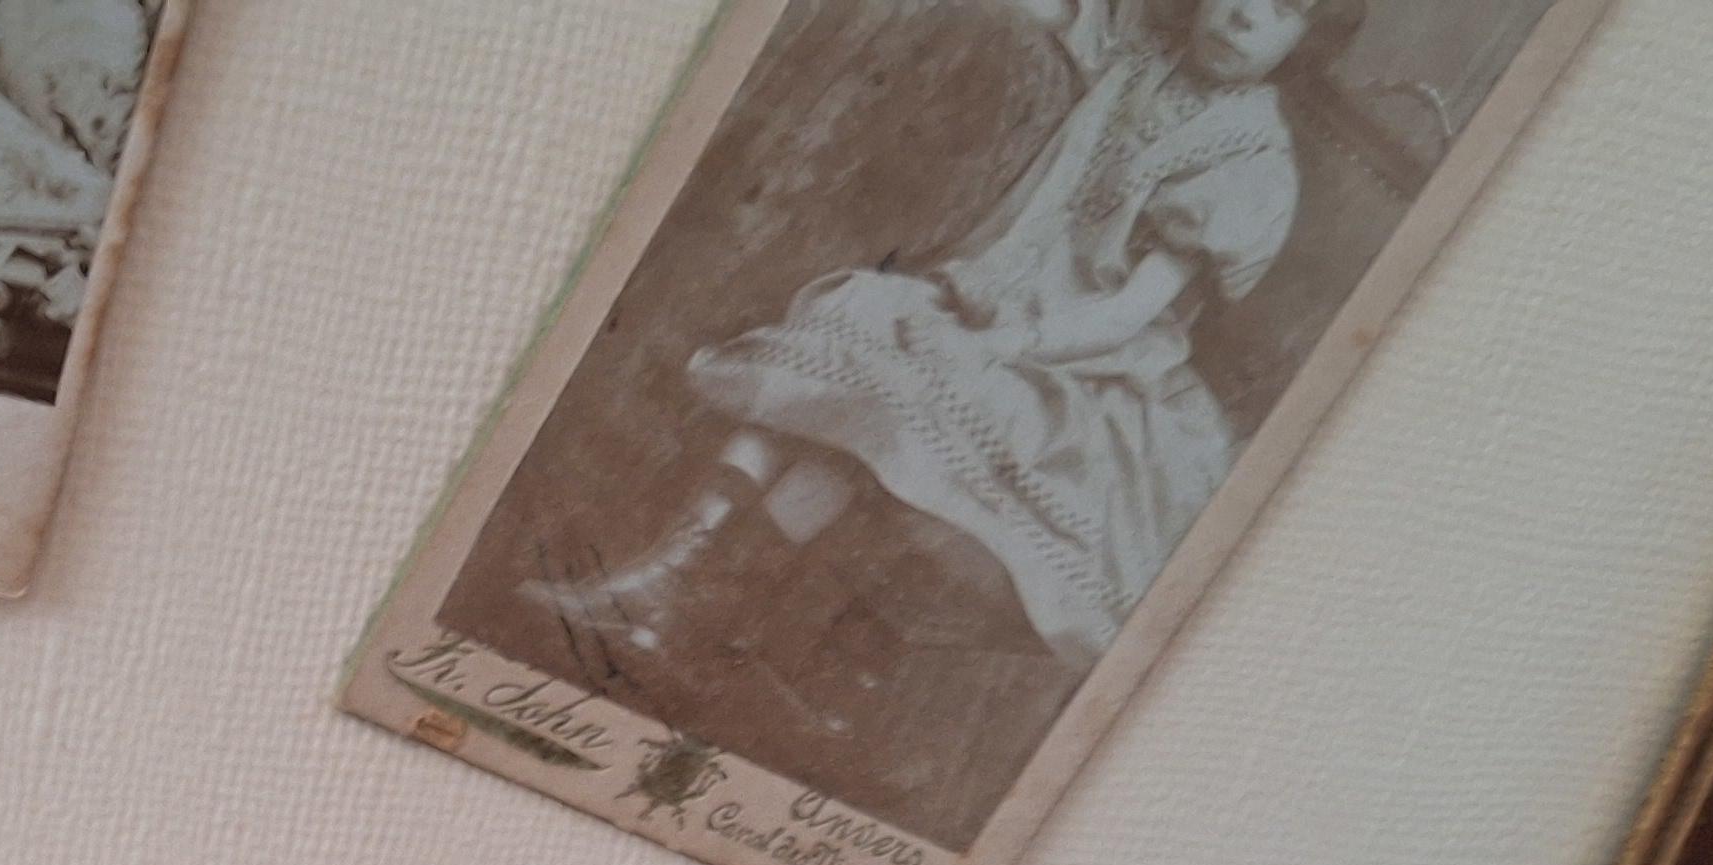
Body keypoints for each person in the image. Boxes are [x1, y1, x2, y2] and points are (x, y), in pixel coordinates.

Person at [527, 0, 1310, 673]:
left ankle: (694, 597)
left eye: (1284, 6)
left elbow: (1126, 315)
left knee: (911, 398)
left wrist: (997, 346)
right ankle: (667, 565)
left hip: (1086, 370)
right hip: (976, 297)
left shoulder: (1251, 160)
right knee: (859, 317)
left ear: (1308, 36)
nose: (1245, 13)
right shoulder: (1137, 56)